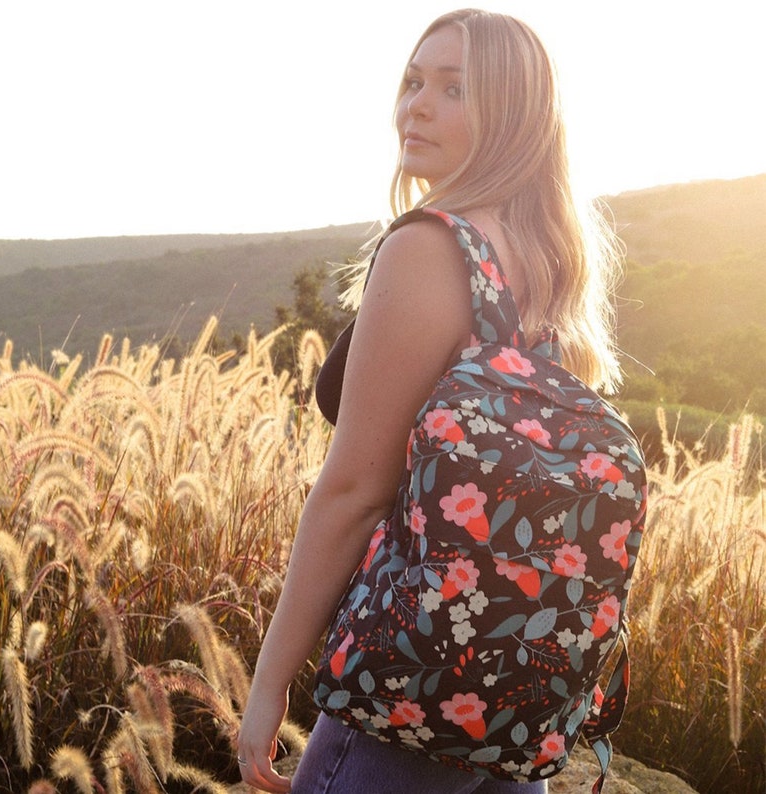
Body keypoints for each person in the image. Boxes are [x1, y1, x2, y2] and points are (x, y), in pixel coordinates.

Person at [237, 8, 625, 793]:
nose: (416, 104)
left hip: (411, 684)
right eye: (414, 81)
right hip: (517, 695)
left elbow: (353, 492)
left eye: (455, 88)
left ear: (513, 114)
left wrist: (269, 681)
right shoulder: (551, 260)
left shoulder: (429, 246)